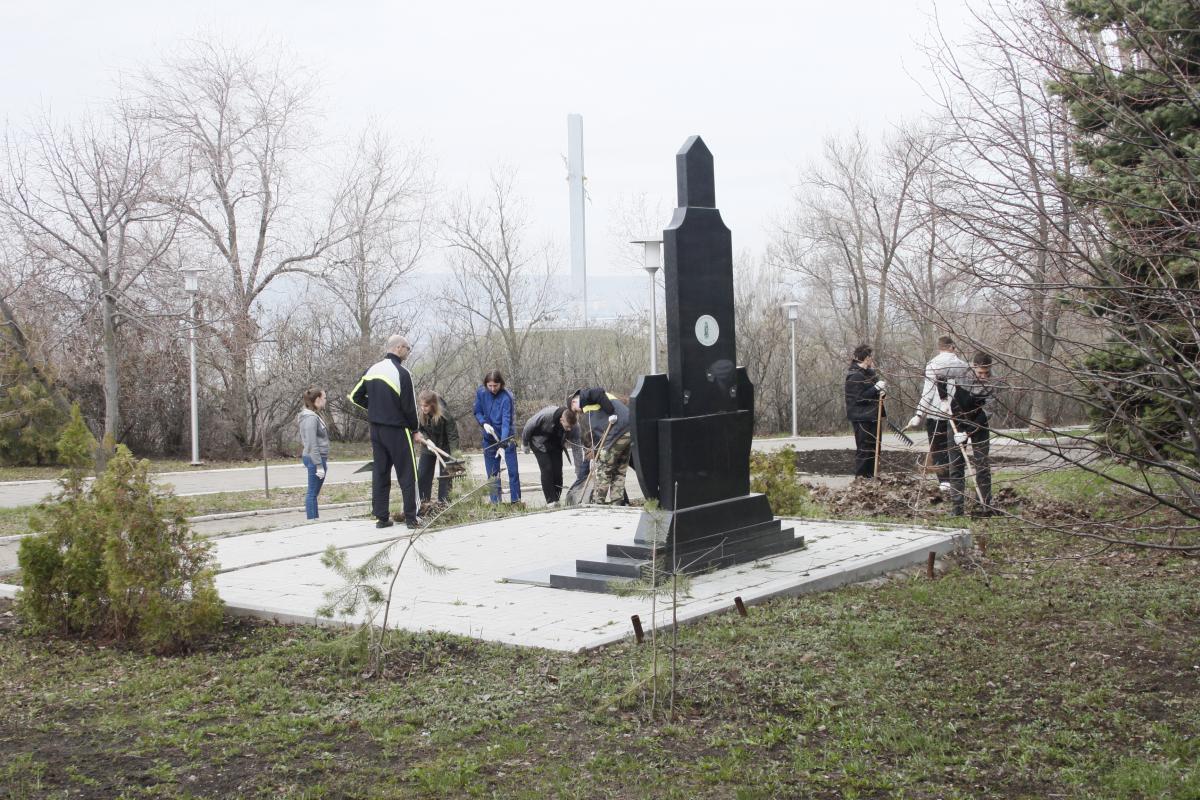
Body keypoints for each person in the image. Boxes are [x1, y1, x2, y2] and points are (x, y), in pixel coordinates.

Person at [349, 335, 425, 529]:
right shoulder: (402, 372)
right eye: (408, 348)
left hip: (376, 431)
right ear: (399, 348)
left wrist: (375, 408)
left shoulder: (372, 370)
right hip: (398, 430)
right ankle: (412, 518)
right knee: (408, 474)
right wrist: (415, 430)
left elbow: (354, 396)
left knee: (380, 473)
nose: (408, 352)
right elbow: (409, 407)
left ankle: (382, 518)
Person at [907, 335, 974, 516]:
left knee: (938, 449)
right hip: (954, 412)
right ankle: (953, 484)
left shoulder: (935, 364)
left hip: (941, 412)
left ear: (939, 348)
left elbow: (926, 393)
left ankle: (945, 483)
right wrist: (919, 414)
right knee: (955, 449)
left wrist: (919, 414)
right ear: (952, 347)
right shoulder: (961, 364)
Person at [569, 387, 632, 505]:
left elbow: (598, 391)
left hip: (617, 432)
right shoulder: (592, 406)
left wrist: (610, 410)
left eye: (575, 410)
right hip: (629, 429)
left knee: (603, 469)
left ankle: (598, 503)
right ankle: (617, 502)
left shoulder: (585, 396)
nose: (579, 412)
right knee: (619, 469)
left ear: (574, 401)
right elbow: (598, 432)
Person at [473, 370, 521, 504]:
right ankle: (496, 503)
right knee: (493, 474)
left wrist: (503, 444)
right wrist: (484, 423)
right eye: (490, 386)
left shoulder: (507, 397)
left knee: (513, 472)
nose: (493, 389)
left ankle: (516, 502)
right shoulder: (481, 393)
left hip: (506, 440)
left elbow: (506, 422)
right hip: (489, 440)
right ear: (486, 385)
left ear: (501, 384)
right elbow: (477, 411)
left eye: (496, 386)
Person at [959, 351, 997, 515]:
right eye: (980, 372)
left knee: (982, 463)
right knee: (957, 464)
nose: (983, 376)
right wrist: (961, 429)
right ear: (973, 366)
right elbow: (956, 403)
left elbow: (988, 410)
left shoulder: (994, 381)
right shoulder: (961, 376)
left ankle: (985, 503)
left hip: (980, 423)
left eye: (986, 373)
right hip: (959, 420)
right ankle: (958, 507)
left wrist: (970, 431)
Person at [844, 344, 887, 479]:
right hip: (861, 417)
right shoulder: (854, 376)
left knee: (875, 448)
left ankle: (872, 475)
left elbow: (875, 394)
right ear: (866, 358)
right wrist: (875, 388)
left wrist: (882, 392)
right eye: (870, 357)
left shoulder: (870, 374)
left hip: (874, 416)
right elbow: (859, 398)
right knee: (864, 448)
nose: (871, 360)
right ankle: (861, 477)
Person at [521, 404, 577, 505]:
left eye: (571, 427)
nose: (569, 430)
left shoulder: (573, 425)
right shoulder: (547, 415)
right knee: (547, 469)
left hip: (555, 444)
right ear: (561, 420)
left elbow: (577, 447)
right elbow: (529, 425)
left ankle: (556, 498)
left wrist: (579, 468)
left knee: (558, 472)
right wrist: (525, 444)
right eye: (567, 427)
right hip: (538, 442)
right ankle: (551, 501)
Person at [416, 389, 460, 509]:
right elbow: (418, 430)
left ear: (433, 405)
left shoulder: (445, 414)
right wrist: (427, 440)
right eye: (421, 405)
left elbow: (453, 436)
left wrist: (455, 456)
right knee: (423, 474)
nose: (423, 408)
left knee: (446, 475)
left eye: (426, 406)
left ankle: (444, 504)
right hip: (428, 445)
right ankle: (423, 504)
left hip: (445, 446)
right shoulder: (420, 413)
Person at [298, 387, 330, 520]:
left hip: (315, 458)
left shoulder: (312, 415)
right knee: (312, 493)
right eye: (324, 398)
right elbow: (311, 443)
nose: (325, 401)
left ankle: (314, 520)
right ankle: (312, 522)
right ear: (317, 400)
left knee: (313, 493)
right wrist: (318, 465)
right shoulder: (310, 418)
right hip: (315, 459)